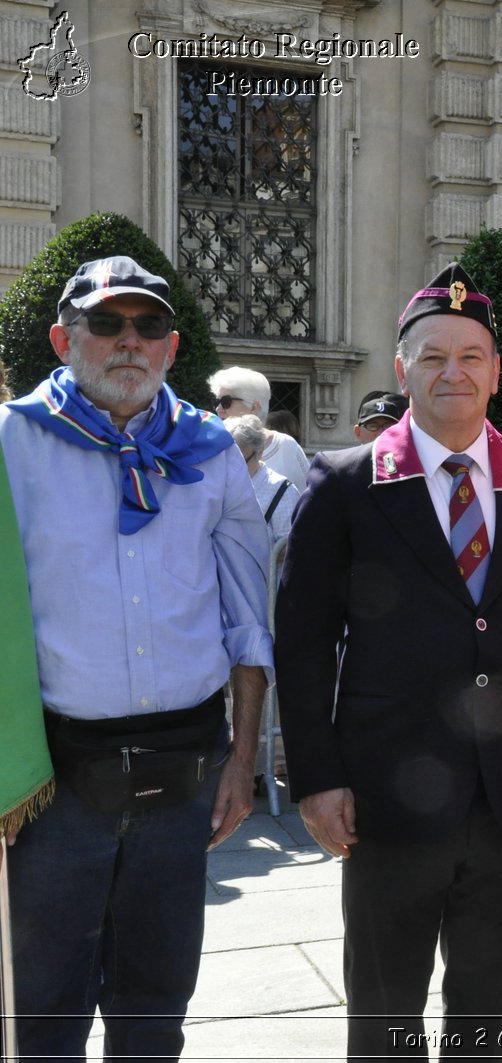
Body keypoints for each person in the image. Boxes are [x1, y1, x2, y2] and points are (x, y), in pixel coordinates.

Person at [275, 263, 502, 1058]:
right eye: (435, 356)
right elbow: (303, 638)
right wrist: (315, 775)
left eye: (472, 356)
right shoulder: (345, 484)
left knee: (487, 1019)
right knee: (385, 1020)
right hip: (384, 799)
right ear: (402, 365)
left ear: (496, 371)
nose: (455, 372)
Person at [1, 255, 271, 1060]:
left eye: (148, 325)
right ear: (63, 338)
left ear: (171, 344)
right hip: (53, 780)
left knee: (155, 1008)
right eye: (106, 323)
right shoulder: (12, 442)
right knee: (42, 1011)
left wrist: (243, 756)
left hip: (184, 773)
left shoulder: (211, 449)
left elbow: (248, 619)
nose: (129, 341)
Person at [208, 365, 310, 488]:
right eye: (216, 401)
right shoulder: (209, 445)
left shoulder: (285, 446)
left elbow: (308, 495)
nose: (218, 409)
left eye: (226, 402)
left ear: (254, 407)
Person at [225, 413, 299, 544]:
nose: (232, 467)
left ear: (260, 452)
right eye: (226, 459)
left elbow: (291, 547)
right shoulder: (218, 484)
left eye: (240, 461)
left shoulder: (282, 491)